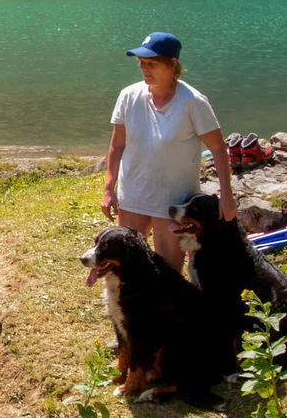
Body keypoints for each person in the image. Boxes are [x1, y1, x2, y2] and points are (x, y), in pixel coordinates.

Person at [101, 32, 236, 271]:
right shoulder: (128, 96)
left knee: (168, 274)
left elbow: (217, 148)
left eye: (151, 63)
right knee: (129, 269)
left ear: (172, 64)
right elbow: (117, 145)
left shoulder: (193, 102)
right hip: (133, 195)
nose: (144, 69)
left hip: (172, 203)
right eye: (141, 63)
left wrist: (226, 195)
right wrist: (109, 188)